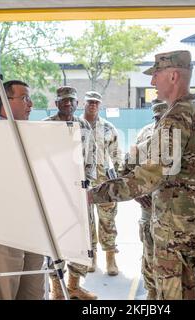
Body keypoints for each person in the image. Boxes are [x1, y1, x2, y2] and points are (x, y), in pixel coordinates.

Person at [88, 50, 195, 300]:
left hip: (178, 233)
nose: (152, 82)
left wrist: (91, 195)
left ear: (173, 76)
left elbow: (147, 178)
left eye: (156, 75)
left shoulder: (175, 118)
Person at [0, 80, 44, 300]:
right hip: (3, 230)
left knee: (33, 292)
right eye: (24, 97)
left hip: (34, 228)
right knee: (3, 293)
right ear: (6, 100)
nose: (31, 104)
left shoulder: (33, 134)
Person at [43, 86, 98, 300]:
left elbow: (91, 157)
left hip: (79, 193)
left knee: (82, 240)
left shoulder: (84, 125)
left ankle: (74, 286)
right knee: (55, 241)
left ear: (77, 104)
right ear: (56, 103)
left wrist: (87, 186)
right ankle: (57, 288)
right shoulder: (46, 126)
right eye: (63, 101)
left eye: (72, 101)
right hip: (54, 195)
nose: (68, 104)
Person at [119, 99, 168, 300]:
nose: (161, 122)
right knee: (150, 252)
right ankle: (152, 292)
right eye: (157, 118)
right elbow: (126, 171)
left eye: (164, 117)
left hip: (178, 213)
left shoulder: (185, 136)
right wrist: (138, 195)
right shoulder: (144, 137)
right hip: (150, 210)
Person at [81, 90, 122, 276]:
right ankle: (91, 257)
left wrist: (121, 179)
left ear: (100, 105)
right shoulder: (75, 125)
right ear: (84, 103)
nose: (93, 105)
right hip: (82, 183)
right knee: (85, 222)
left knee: (108, 220)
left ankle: (110, 259)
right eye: (90, 102)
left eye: (96, 103)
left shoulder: (108, 128)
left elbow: (116, 155)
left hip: (104, 182)